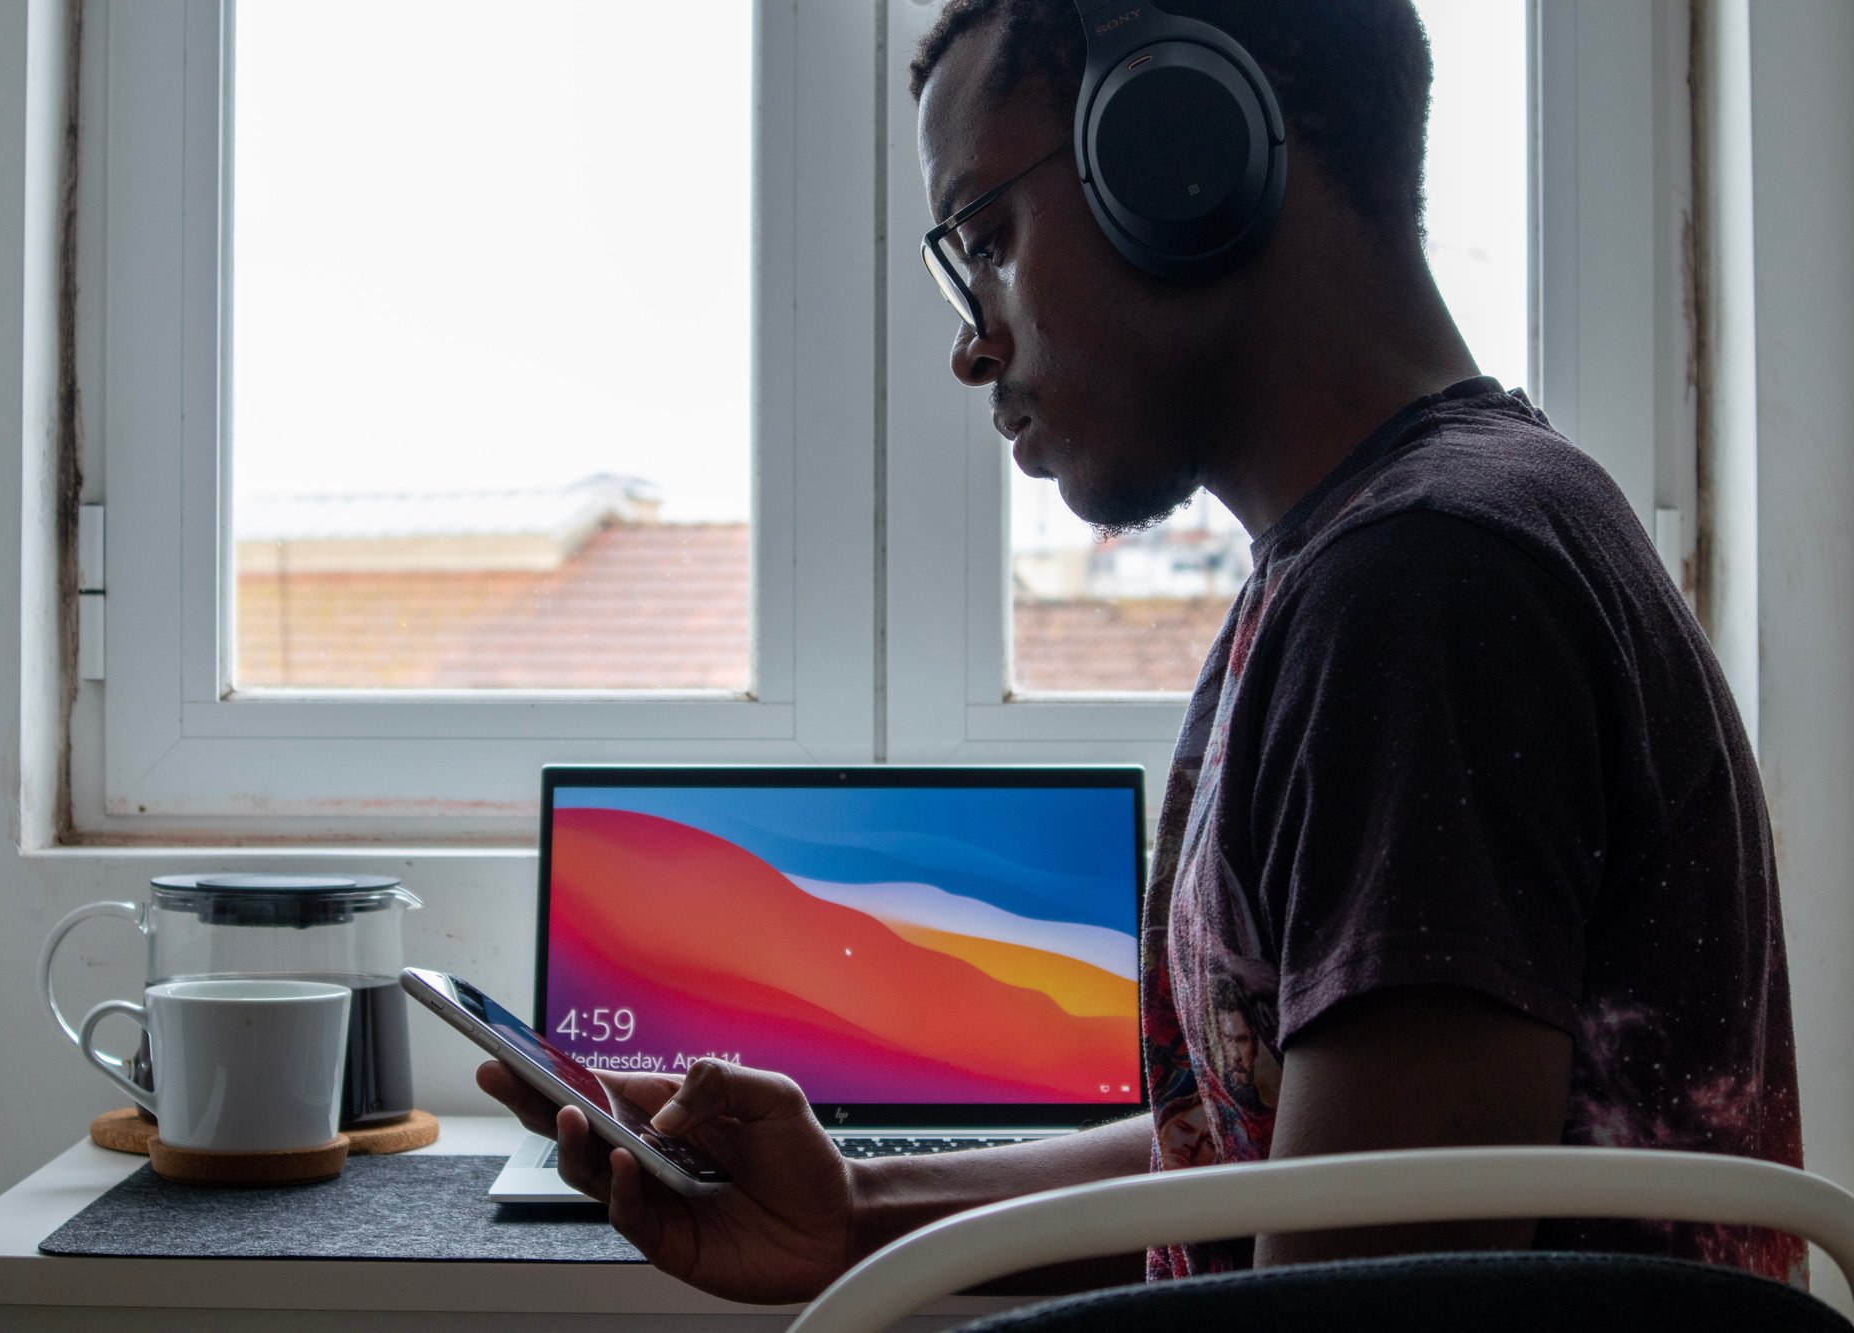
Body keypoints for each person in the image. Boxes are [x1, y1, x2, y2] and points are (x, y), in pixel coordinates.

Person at [481, 0, 1804, 1302]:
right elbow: (1268, 1167)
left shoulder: (1431, 587)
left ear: (1182, 153)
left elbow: (1366, 1301)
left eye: (990, 239)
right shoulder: (1397, 552)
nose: (971, 344)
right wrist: (856, 1211)